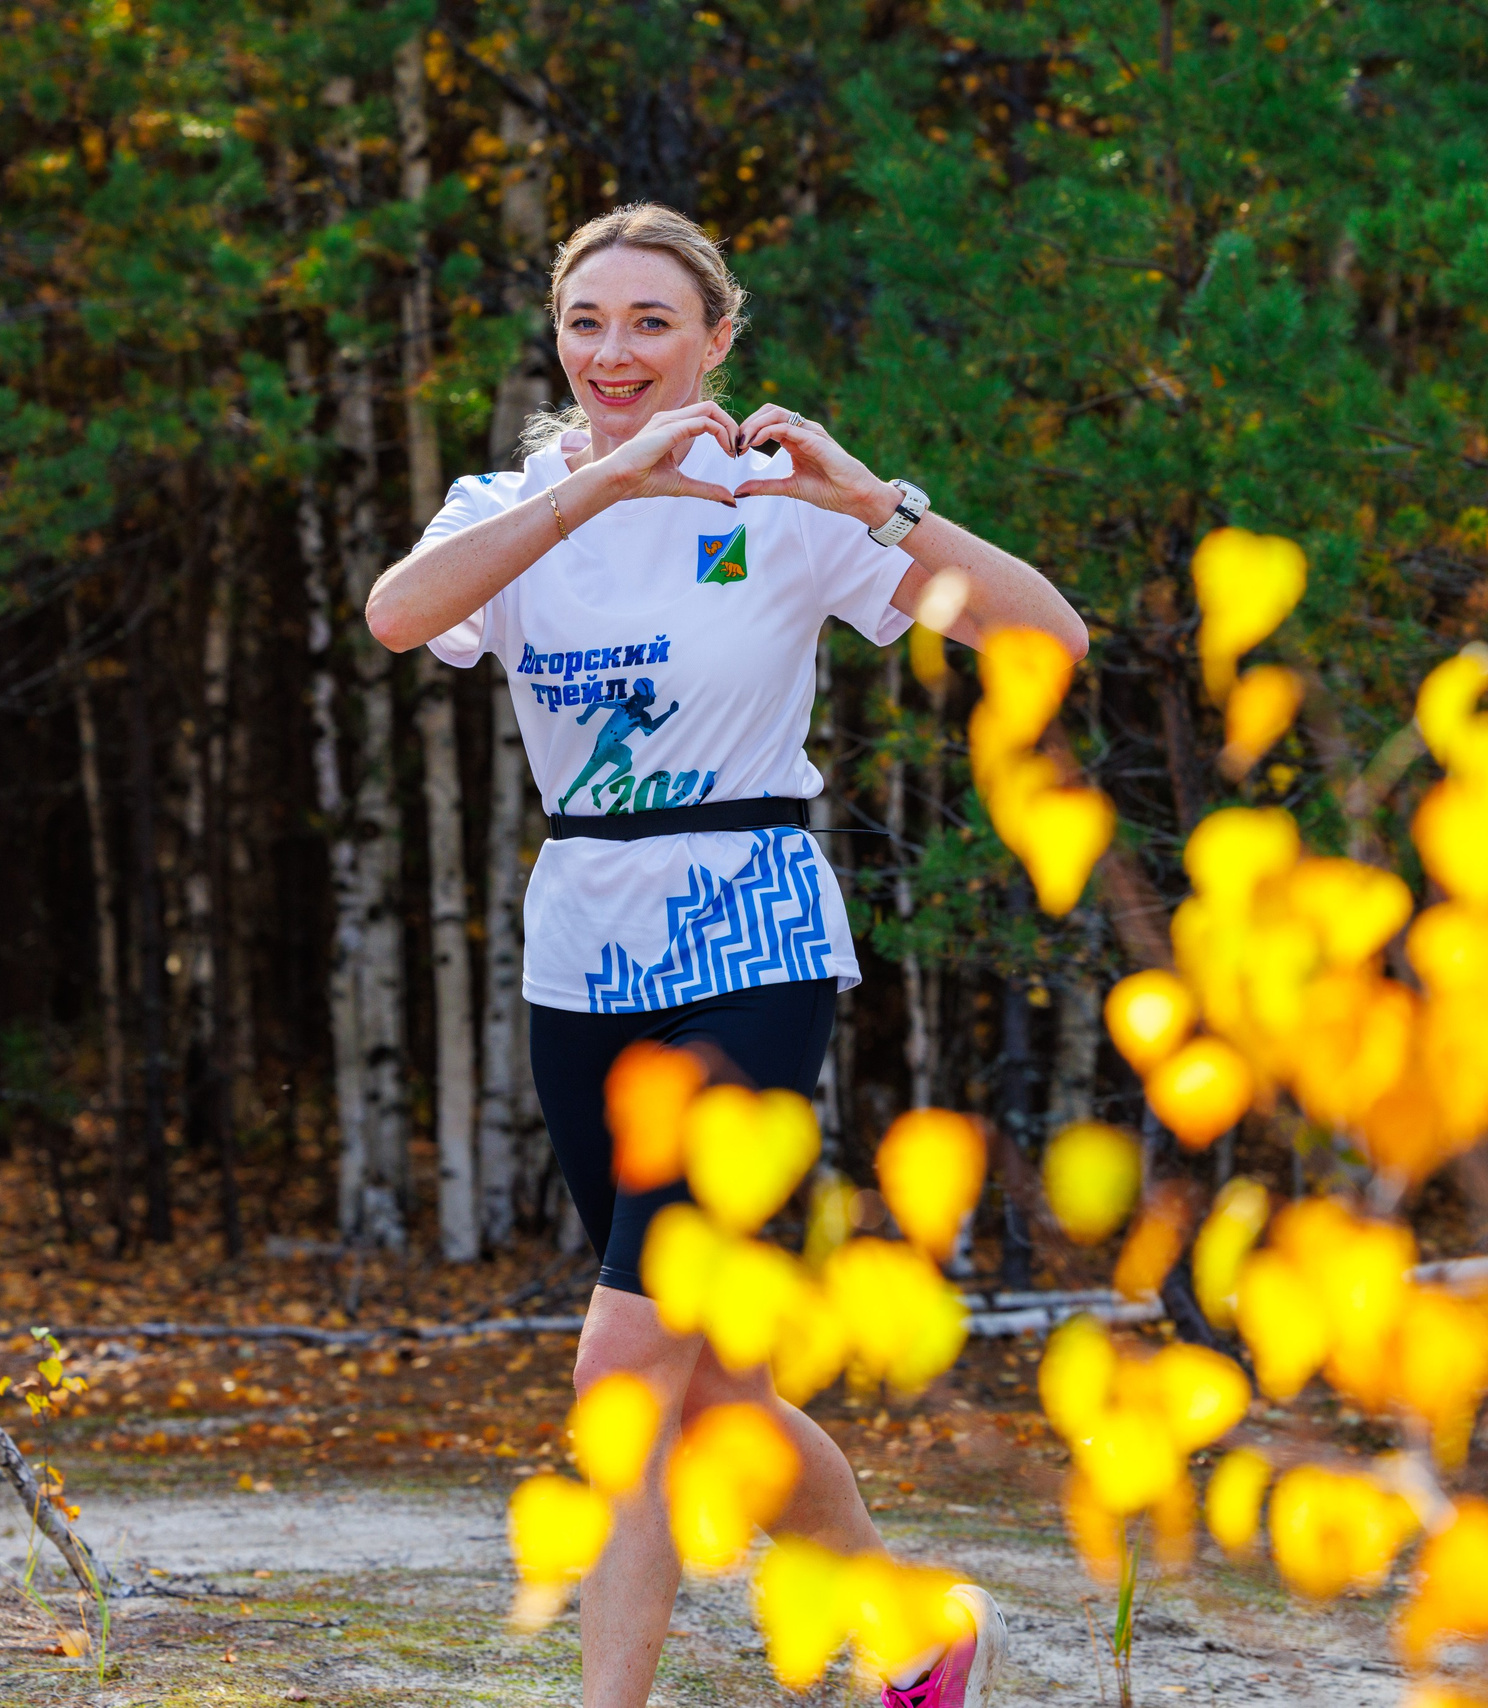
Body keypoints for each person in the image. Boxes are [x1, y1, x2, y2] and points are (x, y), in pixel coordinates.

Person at [368, 203, 1087, 1707]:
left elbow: (1047, 634)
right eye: (587, 322)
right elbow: (399, 616)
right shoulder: (505, 504)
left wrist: (873, 502)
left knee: (623, 1384)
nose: (614, 352)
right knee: (717, 1401)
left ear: (716, 339)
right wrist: (597, 488)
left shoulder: (784, 506)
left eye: (650, 324)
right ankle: (916, 1634)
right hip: (581, 955)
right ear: (557, 339)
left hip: (746, 938)